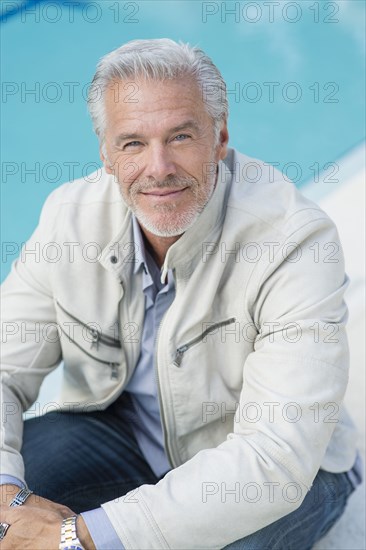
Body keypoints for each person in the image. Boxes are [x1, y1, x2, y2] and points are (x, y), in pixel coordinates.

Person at [0, 38, 362, 550]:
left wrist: (78, 535)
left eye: (181, 136)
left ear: (220, 136)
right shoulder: (71, 218)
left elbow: (274, 460)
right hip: (128, 440)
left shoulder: (294, 241)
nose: (159, 167)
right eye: (133, 144)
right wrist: (5, 496)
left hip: (287, 477)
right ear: (105, 154)